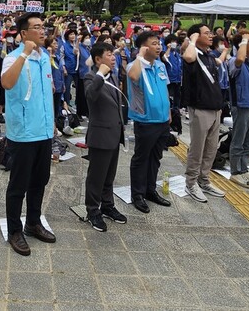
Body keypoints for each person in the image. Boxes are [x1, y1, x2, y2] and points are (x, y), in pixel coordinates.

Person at [1, 12, 56, 256]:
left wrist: (52, 122)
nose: (43, 31)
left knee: (40, 181)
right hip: (23, 134)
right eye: (36, 27)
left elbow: (46, 94)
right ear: (24, 34)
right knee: (18, 185)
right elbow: (7, 84)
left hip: (43, 131)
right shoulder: (12, 58)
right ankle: (15, 230)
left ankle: (33, 222)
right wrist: (24, 53)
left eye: (43, 26)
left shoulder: (45, 58)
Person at [83, 41, 128, 232]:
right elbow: (91, 96)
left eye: (113, 54)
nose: (113, 57)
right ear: (98, 59)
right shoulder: (91, 77)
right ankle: (93, 210)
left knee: (109, 175)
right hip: (100, 136)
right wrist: (100, 74)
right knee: (96, 177)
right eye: (108, 55)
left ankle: (107, 205)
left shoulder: (113, 76)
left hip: (114, 134)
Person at [126, 30, 173, 212]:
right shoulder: (134, 65)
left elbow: (165, 90)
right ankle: (137, 194)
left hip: (162, 120)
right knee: (141, 158)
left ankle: (150, 189)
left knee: (155, 157)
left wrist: (168, 112)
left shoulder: (160, 65)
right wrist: (139, 56)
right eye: (154, 43)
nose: (158, 46)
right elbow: (133, 77)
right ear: (144, 47)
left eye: (158, 43)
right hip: (146, 121)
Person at [181, 25, 226, 202]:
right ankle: (191, 182)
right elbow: (188, 55)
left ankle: (204, 179)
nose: (211, 36)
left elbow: (220, 62)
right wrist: (191, 40)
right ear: (195, 35)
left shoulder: (208, 55)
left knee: (210, 149)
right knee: (197, 149)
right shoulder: (193, 54)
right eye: (206, 33)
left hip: (215, 108)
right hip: (200, 109)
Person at [228, 30, 249, 189]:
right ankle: (235, 172)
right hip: (242, 106)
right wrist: (243, 40)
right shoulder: (234, 60)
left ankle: (244, 169)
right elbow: (240, 58)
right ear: (241, 44)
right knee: (238, 141)